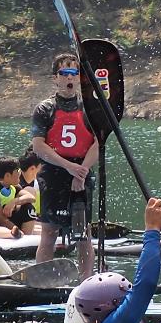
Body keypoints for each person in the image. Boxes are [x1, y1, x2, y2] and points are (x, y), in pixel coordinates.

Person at [30, 52, 98, 273]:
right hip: (54, 173)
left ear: (79, 77)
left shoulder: (89, 107)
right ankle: (42, 281)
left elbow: (99, 143)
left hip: (82, 170)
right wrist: (68, 167)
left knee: (83, 232)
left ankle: (85, 282)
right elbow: (39, 146)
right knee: (49, 231)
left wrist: (82, 171)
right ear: (55, 78)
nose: (69, 78)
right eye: (64, 73)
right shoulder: (45, 109)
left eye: (74, 73)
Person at [7, 151, 44, 236]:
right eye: (41, 168)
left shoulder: (38, 181)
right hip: (15, 221)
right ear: (32, 168)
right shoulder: (15, 181)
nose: (42, 170)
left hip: (34, 218)